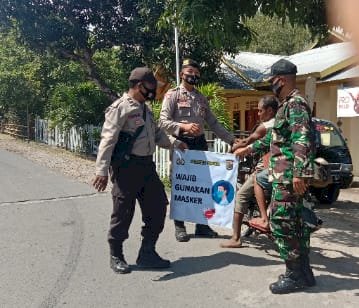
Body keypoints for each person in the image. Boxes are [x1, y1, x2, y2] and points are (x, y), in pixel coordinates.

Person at [93, 67, 187, 274]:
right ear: (138, 86)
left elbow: (157, 134)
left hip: (146, 166)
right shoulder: (120, 108)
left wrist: (175, 143)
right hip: (126, 168)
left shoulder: (145, 108)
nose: (153, 91)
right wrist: (101, 171)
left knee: (158, 206)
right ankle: (116, 255)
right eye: (150, 86)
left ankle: (147, 252)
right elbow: (108, 140)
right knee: (123, 212)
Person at [236, 59, 315, 294]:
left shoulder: (296, 104)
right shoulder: (287, 105)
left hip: (289, 174)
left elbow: (303, 139)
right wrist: (249, 149)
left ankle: (294, 275)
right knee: (297, 223)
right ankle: (304, 273)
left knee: (281, 222)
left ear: (281, 80)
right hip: (285, 173)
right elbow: (275, 139)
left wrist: (300, 173)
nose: (271, 85)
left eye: (272, 81)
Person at [159, 59, 237, 242]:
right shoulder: (172, 95)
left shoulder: (201, 98)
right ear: (182, 74)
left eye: (196, 72)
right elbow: (162, 122)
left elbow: (214, 123)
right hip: (182, 146)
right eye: (190, 71)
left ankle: (202, 225)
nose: (193, 75)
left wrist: (232, 140)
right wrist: (183, 127)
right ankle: (179, 226)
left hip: (200, 144)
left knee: (203, 185)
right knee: (181, 185)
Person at [220, 95, 278, 248]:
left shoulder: (265, 126)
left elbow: (249, 142)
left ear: (270, 111)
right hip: (282, 168)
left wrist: (233, 149)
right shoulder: (281, 124)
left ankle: (236, 238)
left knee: (241, 196)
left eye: (260, 111)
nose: (258, 114)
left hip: (267, 168)